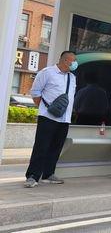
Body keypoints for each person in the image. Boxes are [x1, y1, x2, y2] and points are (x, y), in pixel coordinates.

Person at [24, 51, 78, 188]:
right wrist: (45, 108)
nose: (75, 63)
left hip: (64, 119)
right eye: (73, 60)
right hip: (48, 117)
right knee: (41, 146)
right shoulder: (47, 72)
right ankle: (32, 176)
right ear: (66, 60)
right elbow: (35, 92)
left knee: (56, 147)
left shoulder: (72, 77)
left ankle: (48, 174)